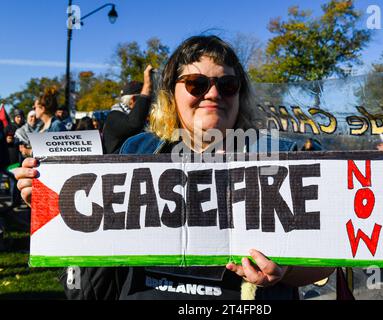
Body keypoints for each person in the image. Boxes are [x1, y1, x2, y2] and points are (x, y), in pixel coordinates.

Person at [15, 35, 334, 300]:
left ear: (240, 93)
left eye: (227, 84)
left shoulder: (285, 156)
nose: (212, 93)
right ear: (171, 93)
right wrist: (50, 200)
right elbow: (94, 234)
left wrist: (285, 272)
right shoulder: (137, 150)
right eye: (196, 84)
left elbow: (327, 262)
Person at [102, 72, 153, 154]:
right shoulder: (114, 116)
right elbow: (133, 124)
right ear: (133, 100)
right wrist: (146, 90)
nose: (149, 104)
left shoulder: (135, 117)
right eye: (147, 101)